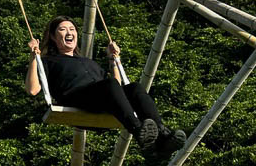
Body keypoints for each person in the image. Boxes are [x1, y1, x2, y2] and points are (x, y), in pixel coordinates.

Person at [25, 15, 184, 151]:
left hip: (100, 98)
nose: (69, 32)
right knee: (109, 84)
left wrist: (113, 59)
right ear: (53, 37)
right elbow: (32, 90)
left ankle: (162, 134)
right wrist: (34, 57)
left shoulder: (88, 62)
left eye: (72, 29)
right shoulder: (48, 61)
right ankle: (137, 129)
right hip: (76, 99)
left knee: (134, 87)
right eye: (63, 29)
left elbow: (117, 86)